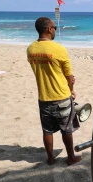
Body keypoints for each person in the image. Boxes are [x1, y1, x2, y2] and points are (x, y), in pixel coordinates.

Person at [27, 17, 81, 166]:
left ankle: (50, 158)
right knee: (66, 129)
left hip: (44, 97)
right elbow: (68, 75)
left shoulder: (31, 49)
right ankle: (71, 158)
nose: (56, 30)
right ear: (49, 29)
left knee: (47, 130)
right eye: (54, 27)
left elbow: (42, 69)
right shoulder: (59, 49)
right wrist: (71, 89)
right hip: (61, 96)